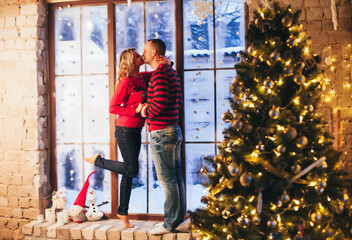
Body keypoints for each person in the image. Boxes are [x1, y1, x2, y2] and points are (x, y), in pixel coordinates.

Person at [84, 48, 168, 228]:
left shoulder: (142, 78)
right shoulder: (126, 82)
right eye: (138, 56)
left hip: (136, 130)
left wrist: (166, 63)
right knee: (131, 170)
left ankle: (122, 213)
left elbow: (159, 73)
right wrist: (135, 109)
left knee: (128, 173)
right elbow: (113, 107)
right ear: (131, 61)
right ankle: (98, 161)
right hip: (124, 130)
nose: (141, 57)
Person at [139, 39, 185, 235]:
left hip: (161, 133)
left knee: (166, 179)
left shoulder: (159, 75)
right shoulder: (170, 72)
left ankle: (170, 224)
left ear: (155, 52)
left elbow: (158, 105)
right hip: (173, 130)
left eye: (145, 50)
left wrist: (143, 110)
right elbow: (179, 102)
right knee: (175, 177)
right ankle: (179, 220)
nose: (143, 53)